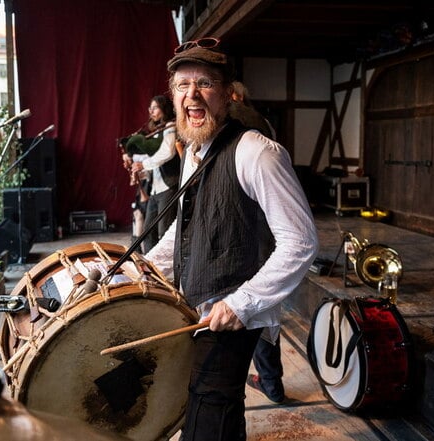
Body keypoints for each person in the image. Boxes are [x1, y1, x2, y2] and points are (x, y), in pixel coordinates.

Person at [144, 38, 318, 440]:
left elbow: (301, 241)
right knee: (210, 409)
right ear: (173, 97)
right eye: (182, 85)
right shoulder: (192, 151)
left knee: (209, 414)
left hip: (234, 309)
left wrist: (241, 304)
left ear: (227, 93)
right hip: (196, 303)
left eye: (204, 83)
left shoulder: (258, 153)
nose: (192, 94)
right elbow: (182, 227)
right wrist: (142, 270)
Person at [228, 81, 286, 404]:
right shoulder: (259, 123)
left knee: (259, 312)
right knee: (260, 314)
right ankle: (269, 380)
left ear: (234, 97)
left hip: (256, 230)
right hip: (255, 230)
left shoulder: (249, 125)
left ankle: (271, 384)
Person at [129, 95, 180, 253]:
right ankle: (152, 267)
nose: (151, 111)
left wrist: (143, 164)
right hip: (155, 189)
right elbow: (155, 161)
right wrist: (140, 169)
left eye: (155, 107)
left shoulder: (171, 127)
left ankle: (166, 272)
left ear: (164, 109)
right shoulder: (158, 131)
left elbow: (167, 152)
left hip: (168, 186)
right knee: (148, 230)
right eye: (150, 108)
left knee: (164, 231)